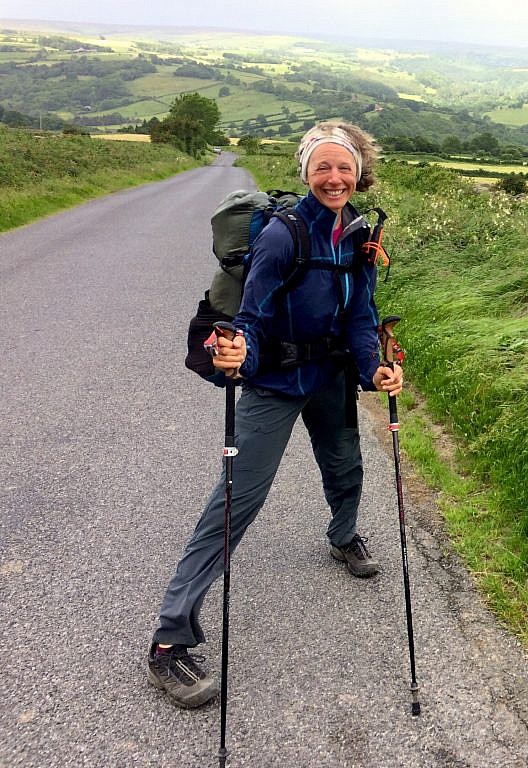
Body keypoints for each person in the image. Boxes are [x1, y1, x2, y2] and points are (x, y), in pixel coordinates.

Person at [146, 122, 403, 708]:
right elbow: (253, 318)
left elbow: (362, 315)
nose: (335, 178)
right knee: (236, 500)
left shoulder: (359, 234)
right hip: (277, 380)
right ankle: (169, 641)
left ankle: (342, 538)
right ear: (306, 172)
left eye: (345, 168)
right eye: (324, 167)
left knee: (346, 467)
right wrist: (239, 353)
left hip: (331, 377)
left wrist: (373, 371)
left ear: (360, 172)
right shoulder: (284, 236)